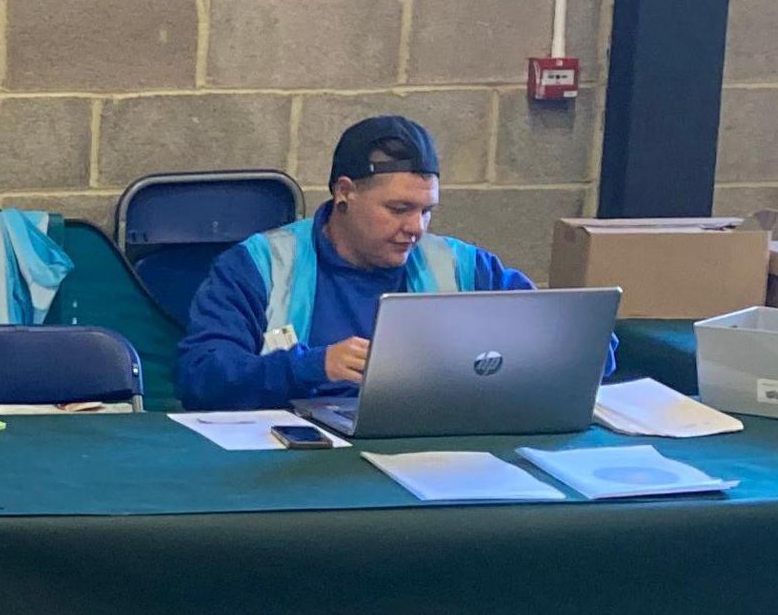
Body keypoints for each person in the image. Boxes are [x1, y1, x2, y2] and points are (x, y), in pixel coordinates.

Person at [175, 115, 533, 412]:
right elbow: (200, 376)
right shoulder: (260, 265)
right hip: (289, 465)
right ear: (345, 192)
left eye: (427, 211)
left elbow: (554, 341)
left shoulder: (465, 268)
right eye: (398, 209)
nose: (415, 228)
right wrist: (312, 367)